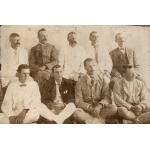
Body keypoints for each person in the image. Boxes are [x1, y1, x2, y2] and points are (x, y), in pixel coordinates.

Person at [0, 64, 67, 124]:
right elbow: (6, 104)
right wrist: (11, 116)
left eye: (28, 74)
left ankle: (18, 122)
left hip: (29, 112)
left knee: (39, 109)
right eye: (24, 74)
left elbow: (36, 101)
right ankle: (18, 121)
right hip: (15, 112)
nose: (26, 76)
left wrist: (24, 111)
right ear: (18, 74)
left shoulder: (34, 84)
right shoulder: (12, 86)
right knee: (2, 118)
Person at [74, 58, 117, 124]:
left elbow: (107, 97)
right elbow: (78, 101)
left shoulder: (102, 80)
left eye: (94, 66)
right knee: (76, 113)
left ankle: (91, 121)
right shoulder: (80, 82)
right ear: (85, 68)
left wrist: (99, 106)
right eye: (90, 66)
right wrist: (90, 108)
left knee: (113, 108)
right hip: (86, 110)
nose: (92, 68)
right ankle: (98, 120)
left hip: (99, 109)